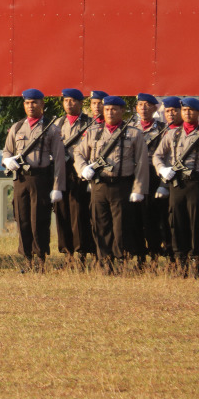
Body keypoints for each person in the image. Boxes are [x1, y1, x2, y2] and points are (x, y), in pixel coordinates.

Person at [75, 96, 149, 273]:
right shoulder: (94, 132)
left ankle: (121, 260)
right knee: (100, 224)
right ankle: (104, 261)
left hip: (122, 185)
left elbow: (142, 163)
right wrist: (83, 169)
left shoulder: (133, 133)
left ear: (122, 111)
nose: (110, 112)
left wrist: (139, 189)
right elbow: (79, 153)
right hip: (99, 185)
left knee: (121, 225)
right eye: (107, 109)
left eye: (114, 109)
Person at [0, 89, 66, 272]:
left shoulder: (51, 129)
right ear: (24, 105)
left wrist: (57, 186)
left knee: (40, 220)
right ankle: (27, 258)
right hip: (21, 179)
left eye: (35, 102)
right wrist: (7, 160)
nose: (31, 106)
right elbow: (7, 150)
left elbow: (59, 159)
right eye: (28, 103)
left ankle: (40, 260)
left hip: (40, 179)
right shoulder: (17, 127)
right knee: (23, 219)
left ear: (42, 104)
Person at [155, 96, 199, 277]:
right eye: (185, 110)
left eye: (191, 110)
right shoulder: (173, 134)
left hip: (196, 183)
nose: (187, 113)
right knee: (177, 222)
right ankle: (181, 261)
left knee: (196, 223)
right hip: (177, 184)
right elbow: (157, 155)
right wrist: (162, 170)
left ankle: (196, 261)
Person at [54, 89, 96, 269]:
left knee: (79, 212)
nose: (69, 104)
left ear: (80, 103)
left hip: (80, 171)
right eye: (66, 100)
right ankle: (67, 254)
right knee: (61, 211)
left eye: (73, 101)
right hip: (61, 171)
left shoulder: (90, 123)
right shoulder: (58, 123)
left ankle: (81, 253)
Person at [134, 93, 170, 267]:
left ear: (155, 108)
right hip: (134, 177)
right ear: (136, 108)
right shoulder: (130, 128)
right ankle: (140, 257)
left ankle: (155, 255)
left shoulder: (163, 129)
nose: (144, 108)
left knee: (154, 218)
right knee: (136, 219)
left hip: (154, 176)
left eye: (148, 104)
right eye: (140, 104)